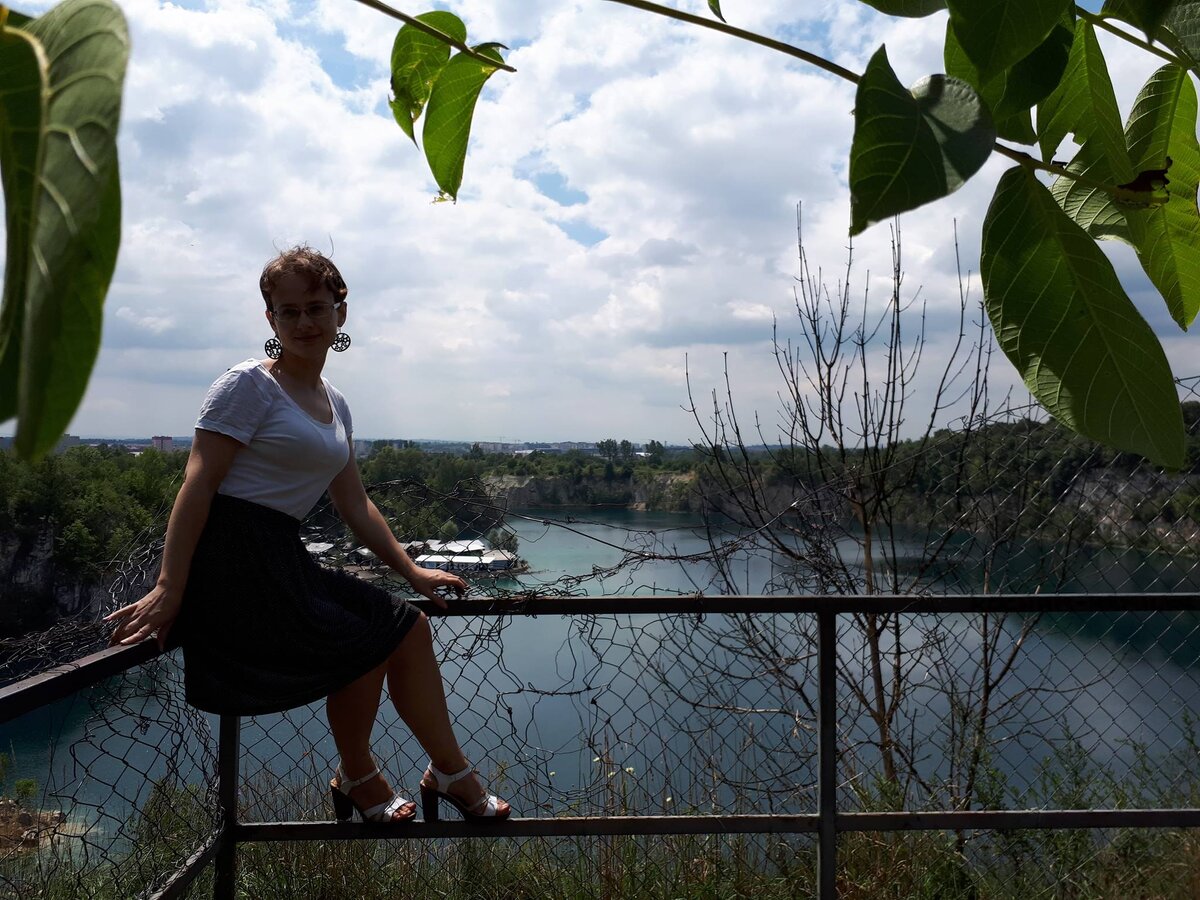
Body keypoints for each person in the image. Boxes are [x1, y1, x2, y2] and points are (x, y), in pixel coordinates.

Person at [105, 247, 510, 824]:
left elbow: (355, 504)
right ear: (270, 318)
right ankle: (360, 775)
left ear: (340, 312)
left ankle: (447, 771)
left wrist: (411, 570)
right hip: (232, 560)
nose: (303, 323)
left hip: (280, 553)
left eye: (316, 308)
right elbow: (199, 483)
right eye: (287, 311)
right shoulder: (249, 384)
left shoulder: (334, 403)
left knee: (408, 628)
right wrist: (171, 586)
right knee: (365, 638)